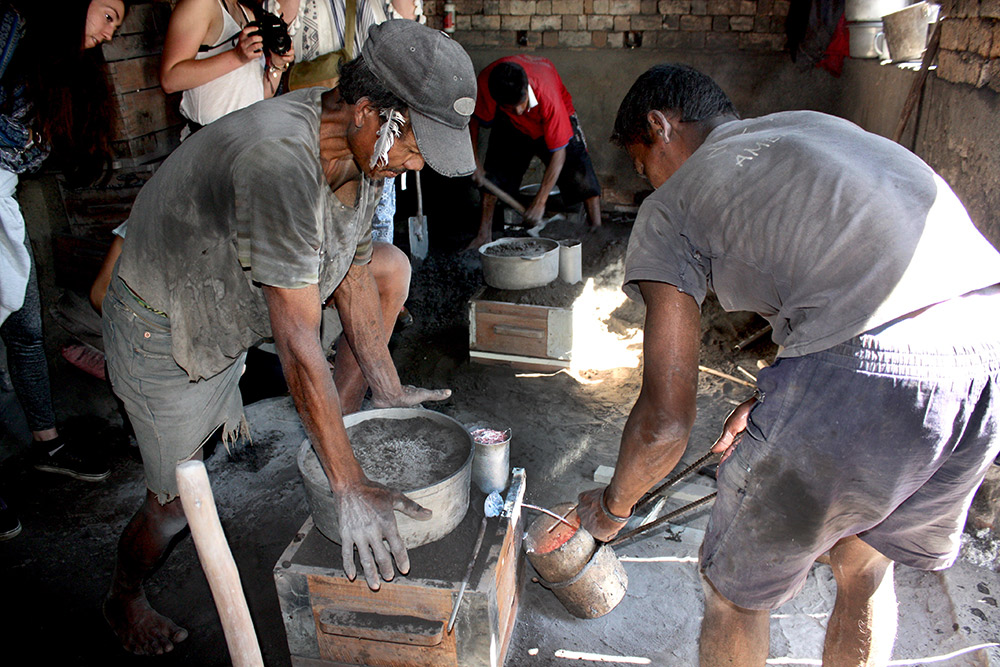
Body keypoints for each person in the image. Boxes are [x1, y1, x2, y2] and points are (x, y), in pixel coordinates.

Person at [576, 63, 1000, 666]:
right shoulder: (811, 129)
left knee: (736, 596)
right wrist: (774, 399)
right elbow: (846, 271)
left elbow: (666, 420)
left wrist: (614, 507)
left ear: (660, 125)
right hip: (985, 349)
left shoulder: (673, 205)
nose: (649, 183)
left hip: (867, 368)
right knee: (864, 565)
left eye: (644, 165)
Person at [101, 20, 477, 655]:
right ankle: (123, 596)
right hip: (166, 320)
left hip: (236, 287)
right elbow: (299, 339)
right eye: (415, 145)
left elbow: (354, 272)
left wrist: (388, 387)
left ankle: (348, 425)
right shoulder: (281, 163)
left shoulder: (354, 152)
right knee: (172, 505)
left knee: (388, 267)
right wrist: (350, 486)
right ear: (369, 112)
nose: (416, 163)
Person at [0, 0, 127, 522]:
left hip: (3, 200)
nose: (111, 33)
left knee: (26, 327)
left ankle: (47, 442)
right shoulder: (12, 26)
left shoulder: (63, 67)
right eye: (110, 15)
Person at [466, 55, 602, 250]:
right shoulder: (487, 83)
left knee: (580, 171)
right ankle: (483, 235)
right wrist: (475, 164)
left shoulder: (547, 93)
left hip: (552, 118)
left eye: (521, 102)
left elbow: (559, 153)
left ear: (526, 88)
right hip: (513, 126)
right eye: (512, 107)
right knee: (495, 172)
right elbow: (473, 122)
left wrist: (540, 202)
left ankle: (597, 233)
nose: (520, 111)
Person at [160, 0, 296, 138]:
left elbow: (257, 95)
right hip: (212, 141)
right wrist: (236, 57)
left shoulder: (247, 14)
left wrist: (277, 65)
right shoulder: (199, 4)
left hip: (249, 137)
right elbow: (170, 79)